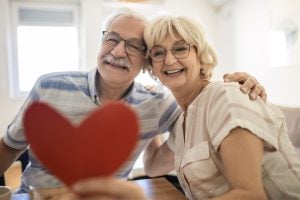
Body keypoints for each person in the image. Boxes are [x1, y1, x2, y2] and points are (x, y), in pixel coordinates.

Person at [0, 8, 266, 194]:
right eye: (112, 39)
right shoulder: (50, 86)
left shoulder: (157, 104)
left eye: (133, 46)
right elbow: (9, 147)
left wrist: (240, 84)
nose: (117, 51)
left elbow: (199, 100)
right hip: (37, 196)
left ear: (146, 61)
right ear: (102, 41)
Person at [140, 15, 300, 200]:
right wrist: (150, 111)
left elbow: (250, 196)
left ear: (200, 55)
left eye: (181, 48)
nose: (169, 60)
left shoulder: (226, 98)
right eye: (158, 53)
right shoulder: (184, 119)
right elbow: (152, 167)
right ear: (151, 65)